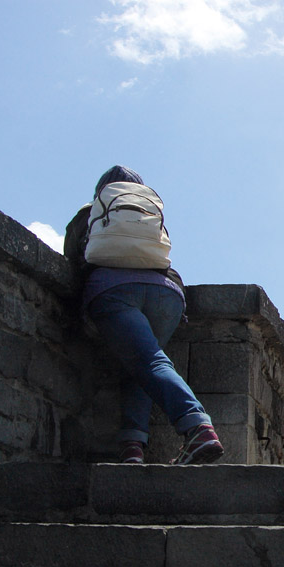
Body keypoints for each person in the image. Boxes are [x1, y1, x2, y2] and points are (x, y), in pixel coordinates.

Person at [66, 165, 224, 465]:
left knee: (149, 361)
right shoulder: (146, 213)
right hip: (168, 295)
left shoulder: (90, 214)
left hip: (114, 291)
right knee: (142, 365)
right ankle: (132, 448)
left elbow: (72, 261)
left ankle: (198, 428)